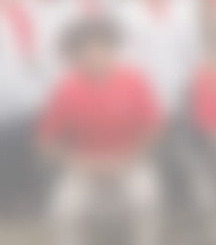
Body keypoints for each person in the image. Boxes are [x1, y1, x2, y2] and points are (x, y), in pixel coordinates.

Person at [38, 19, 162, 245]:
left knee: (146, 199)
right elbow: (45, 141)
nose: (95, 56)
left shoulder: (134, 80)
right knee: (64, 210)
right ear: (76, 56)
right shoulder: (66, 88)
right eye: (86, 51)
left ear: (112, 50)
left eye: (101, 49)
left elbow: (154, 127)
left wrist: (129, 157)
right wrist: (77, 161)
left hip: (128, 159)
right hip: (85, 164)